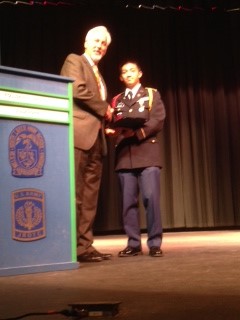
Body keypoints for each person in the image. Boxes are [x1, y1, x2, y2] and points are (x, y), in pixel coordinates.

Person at [60, 26, 113, 262]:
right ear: (86, 42)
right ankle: (70, 248)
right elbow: (76, 88)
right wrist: (106, 109)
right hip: (79, 137)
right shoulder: (75, 60)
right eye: (96, 41)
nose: (100, 46)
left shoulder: (99, 75)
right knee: (77, 194)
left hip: (96, 140)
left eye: (104, 44)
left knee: (90, 198)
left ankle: (85, 246)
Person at [107, 60, 166, 257]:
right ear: (121, 77)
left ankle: (155, 243)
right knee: (127, 203)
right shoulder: (116, 100)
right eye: (124, 71)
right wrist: (110, 131)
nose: (129, 73)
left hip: (147, 153)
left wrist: (136, 133)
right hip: (125, 156)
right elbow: (111, 122)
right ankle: (133, 243)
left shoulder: (151, 94)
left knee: (151, 200)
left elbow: (158, 120)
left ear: (140, 73)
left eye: (132, 70)